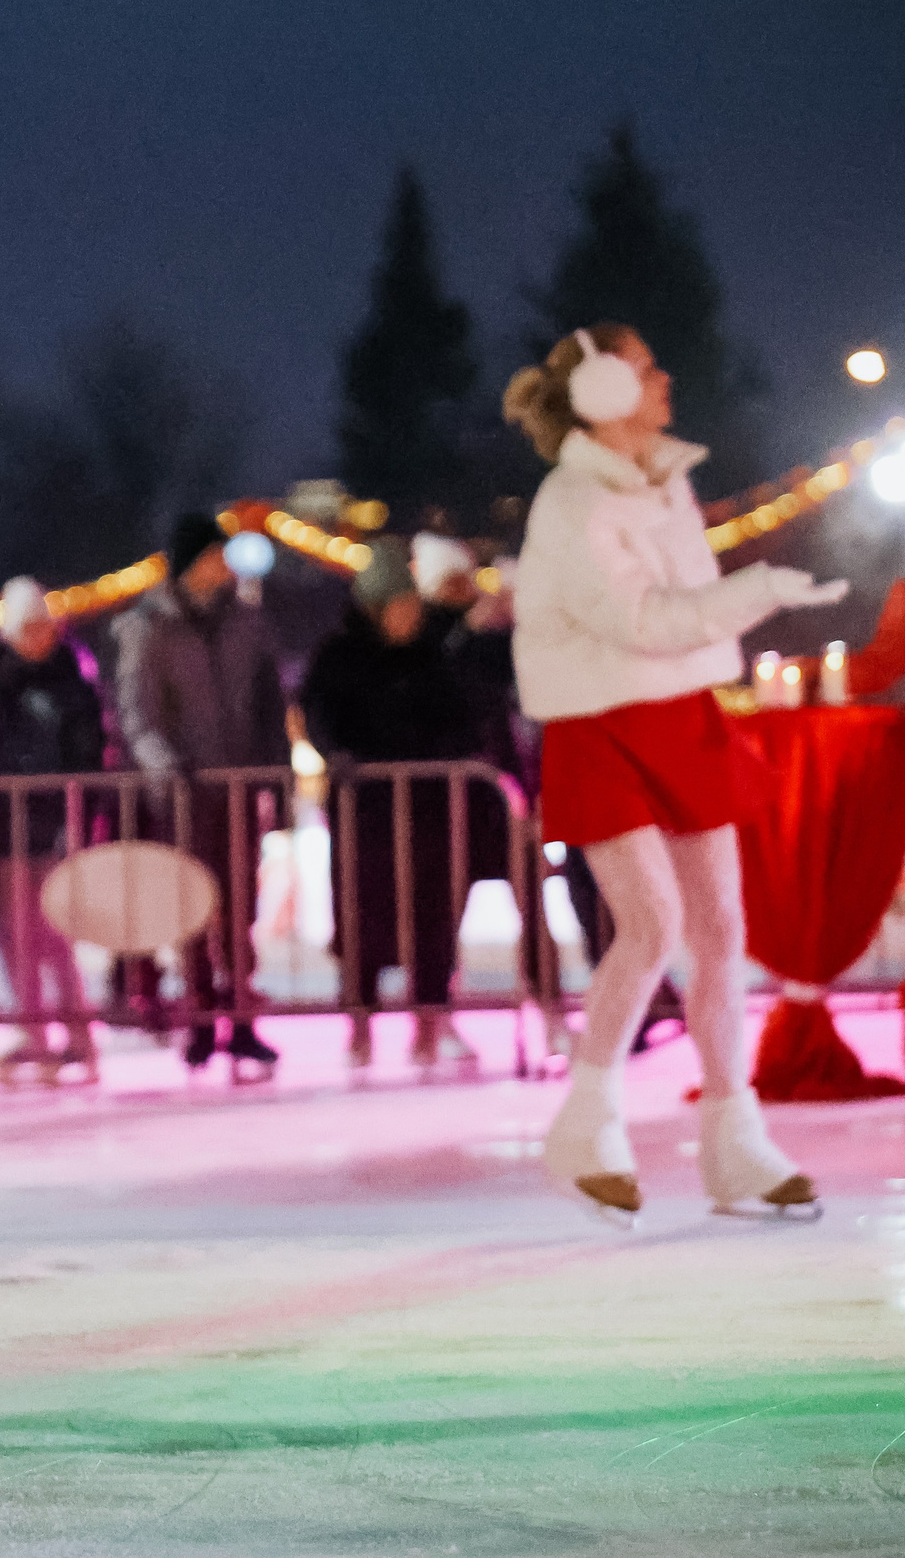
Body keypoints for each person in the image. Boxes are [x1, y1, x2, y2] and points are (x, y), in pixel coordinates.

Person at [506, 325, 844, 1219]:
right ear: (607, 388)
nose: (666, 379)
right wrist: (756, 590)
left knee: (722, 927)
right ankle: (585, 1120)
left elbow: (678, 624)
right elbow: (642, 621)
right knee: (652, 926)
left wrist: (744, 597)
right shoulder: (572, 505)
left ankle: (736, 1141)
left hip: (680, 714)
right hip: (601, 722)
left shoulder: (666, 481)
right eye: (648, 367)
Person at [300, 537, 504, 1072]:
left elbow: (465, 713)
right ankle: (361, 1024)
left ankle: (430, 1023)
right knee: (364, 917)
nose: (410, 616)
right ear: (376, 607)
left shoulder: (434, 652)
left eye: (414, 606)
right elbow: (319, 713)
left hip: (430, 810)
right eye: (400, 607)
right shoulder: (339, 656)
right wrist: (338, 755)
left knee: (434, 920)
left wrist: (451, 755)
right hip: (366, 813)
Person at [115, 513, 290, 1078]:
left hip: (236, 786)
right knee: (190, 906)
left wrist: (275, 777)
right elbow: (137, 711)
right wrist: (167, 766)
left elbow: (269, 705)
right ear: (194, 561)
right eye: (216, 554)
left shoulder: (246, 622)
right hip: (183, 793)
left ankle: (240, 1019)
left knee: (239, 908)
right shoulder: (149, 627)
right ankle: (198, 1016)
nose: (225, 565)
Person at [0, 576, 107, 1080]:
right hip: (5, 829)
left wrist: (80, 818)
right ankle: (34, 1033)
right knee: (14, 938)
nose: (35, 639)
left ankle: (76, 1034)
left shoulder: (72, 682)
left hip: (51, 827)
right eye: (25, 630)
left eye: (41, 628)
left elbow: (88, 756)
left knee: (55, 935)